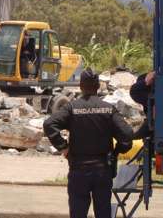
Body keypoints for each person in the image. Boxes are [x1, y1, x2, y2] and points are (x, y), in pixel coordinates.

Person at [44, 68, 133, 218]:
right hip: (102, 170)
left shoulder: (72, 108)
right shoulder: (108, 109)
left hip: (79, 169)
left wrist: (63, 147)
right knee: (103, 212)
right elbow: (127, 135)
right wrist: (117, 151)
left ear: (80, 86)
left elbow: (49, 124)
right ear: (98, 86)